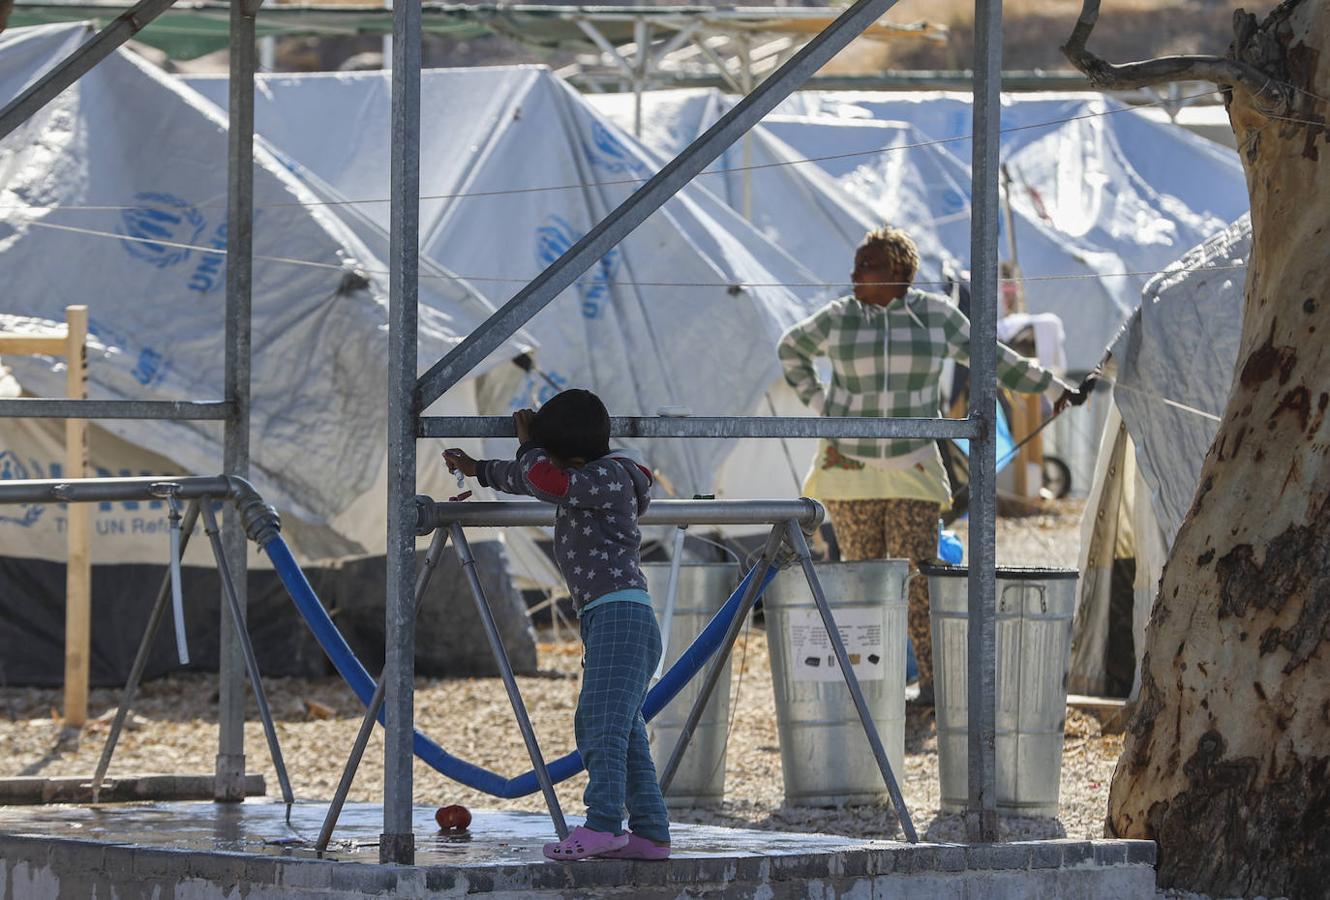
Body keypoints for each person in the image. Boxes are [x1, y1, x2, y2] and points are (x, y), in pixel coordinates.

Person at [777, 226, 1075, 706]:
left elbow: (988, 357)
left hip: (913, 467)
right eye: (856, 265)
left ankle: (935, 687)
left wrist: (1053, 388)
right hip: (848, 470)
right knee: (863, 580)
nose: (854, 274)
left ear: (899, 272)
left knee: (917, 577)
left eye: (866, 265)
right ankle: (872, 689)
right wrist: (821, 402)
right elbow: (791, 348)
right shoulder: (838, 319)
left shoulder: (935, 317)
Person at [443, 389, 671, 862]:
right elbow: (534, 479)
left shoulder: (606, 476)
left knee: (598, 725)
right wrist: (477, 469)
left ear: (570, 454)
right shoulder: (593, 475)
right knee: (624, 729)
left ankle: (604, 825)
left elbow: (543, 480)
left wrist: (528, 448)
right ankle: (650, 833)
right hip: (609, 616)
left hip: (619, 616)